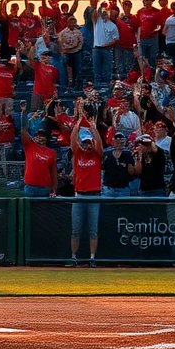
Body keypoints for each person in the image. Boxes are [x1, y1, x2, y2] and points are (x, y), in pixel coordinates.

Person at [67, 105, 103, 266]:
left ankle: (92, 258)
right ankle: (74, 257)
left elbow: (100, 145)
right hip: (80, 195)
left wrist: (94, 128)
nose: (87, 145)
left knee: (93, 230)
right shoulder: (78, 153)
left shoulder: (96, 155)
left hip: (94, 195)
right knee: (76, 229)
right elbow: (72, 139)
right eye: (85, 143)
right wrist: (80, 119)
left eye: (89, 143)